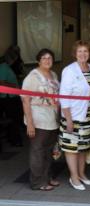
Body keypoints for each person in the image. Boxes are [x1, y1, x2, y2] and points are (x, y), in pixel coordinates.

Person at [59, 40, 90, 191]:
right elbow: (63, 97)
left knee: (84, 147)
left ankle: (82, 174)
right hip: (73, 117)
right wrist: (68, 120)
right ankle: (74, 177)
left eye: (86, 51)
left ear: (89, 53)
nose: (83, 54)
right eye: (80, 51)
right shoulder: (69, 70)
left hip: (88, 117)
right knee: (72, 148)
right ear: (74, 54)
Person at [21, 49, 60, 191]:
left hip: (52, 119)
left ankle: (47, 177)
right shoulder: (32, 77)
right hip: (38, 120)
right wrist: (30, 123)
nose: (47, 60)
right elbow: (25, 100)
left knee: (49, 152)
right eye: (44, 58)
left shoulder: (53, 74)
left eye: (50, 58)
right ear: (38, 60)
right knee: (38, 152)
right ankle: (37, 182)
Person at [0, 46, 24, 147]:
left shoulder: (7, 67)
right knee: (14, 119)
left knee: (14, 120)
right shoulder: (4, 67)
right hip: (8, 98)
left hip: (11, 97)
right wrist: (14, 86)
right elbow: (1, 83)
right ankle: (14, 140)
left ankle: (13, 139)